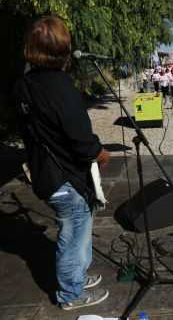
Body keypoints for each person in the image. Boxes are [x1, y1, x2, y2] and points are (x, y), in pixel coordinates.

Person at [14, 16, 110, 310]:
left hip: (45, 172)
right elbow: (81, 139)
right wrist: (100, 153)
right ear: (64, 49)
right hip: (65, 179)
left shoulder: (24, 83)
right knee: (72, 235)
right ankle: (71, 294)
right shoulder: (60, 87)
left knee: (78, 232)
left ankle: (77, 276)